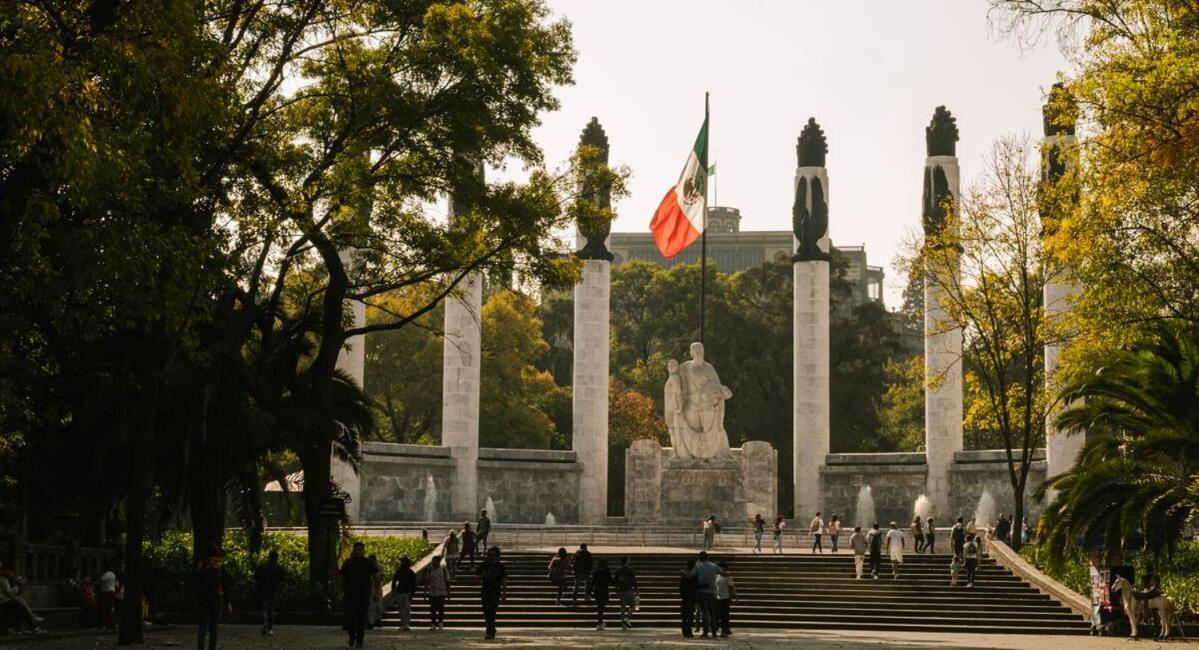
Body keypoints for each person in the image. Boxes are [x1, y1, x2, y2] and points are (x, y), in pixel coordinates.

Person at [341, 541, 376, 648]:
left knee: (361, 619)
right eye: (356, 550)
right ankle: (352, 635)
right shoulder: (348, 563)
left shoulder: (368, 563)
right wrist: (340, 592)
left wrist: (377, 591)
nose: (358, 552)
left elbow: (376, 576)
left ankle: (360, 640)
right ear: (353, 550)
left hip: (364, 594)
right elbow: (342, 577)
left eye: (360, 550)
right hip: (350, 594)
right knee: (350, 618)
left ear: (363, 551)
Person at [194, 545, 229, 650]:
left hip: (203, 599)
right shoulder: (219, 566)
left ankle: (200, 648)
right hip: (216, 599)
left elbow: (196, 584)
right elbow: (225, 584)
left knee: (202, 627)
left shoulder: (201, 566)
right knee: (213, 628)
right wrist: (228, 600)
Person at [0, 562, 46, 635]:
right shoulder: (2, 579)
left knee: (19, 605)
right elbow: (9, 593)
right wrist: (18, 585)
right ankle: (33, 626)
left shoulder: (5, 578)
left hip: (5, 601)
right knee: (19, 607)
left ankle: (21, 627)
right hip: (3, 601)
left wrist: (18, 585)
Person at [477, 546, 507, 639]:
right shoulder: (483, 565)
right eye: (489, 555)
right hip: (485, 591)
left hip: (495, 591)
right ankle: (491, 629)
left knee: (492, 611)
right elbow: (478, 576)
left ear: (497, 556)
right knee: (486, 612)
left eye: (493, 555)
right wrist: (483, 576)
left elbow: (504, 580)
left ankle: (490, 631)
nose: (491, 557)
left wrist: (504, 593)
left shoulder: (500, 566)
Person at [254, 550, 284, 636]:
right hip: (274, 590)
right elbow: (283, 578)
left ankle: (265, 621)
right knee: (271, 609)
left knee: (264, 608)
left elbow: (255, 576)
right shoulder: (278, 568)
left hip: (263, 590)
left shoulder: (263, 566)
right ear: (276, 558)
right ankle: (270, 628)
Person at [690, 551, 719, 638]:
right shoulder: (714, 566)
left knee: (704, 613)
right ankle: (714, 632)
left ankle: (705, 632)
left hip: (701, 592)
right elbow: (722, 572)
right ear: (707, 557)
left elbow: (690, 575)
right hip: (712, 592)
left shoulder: (698, 566)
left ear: (699, 558)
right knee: (712, 613)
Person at [390, 557, 416, 632]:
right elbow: (394, 581)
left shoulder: (410, 572)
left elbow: (413, 584)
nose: (402, 563)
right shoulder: (399, 571)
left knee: (407, 609)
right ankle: (402, 623)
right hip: (399, 591)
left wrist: (412, 593)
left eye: (403, 562)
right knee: (400, 608)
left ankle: (407, 624)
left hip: (407, 592)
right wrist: (393, 590)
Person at [425, 555, 450, 630]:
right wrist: (425, 591)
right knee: (433, 609)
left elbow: (447, 581)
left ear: (438, 562)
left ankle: (440, 623)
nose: (433, 563)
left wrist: (448, 592)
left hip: (441, 592)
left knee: (440, 608)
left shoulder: (443, 569)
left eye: (435, 561)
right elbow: (427, 581)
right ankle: (433, 623)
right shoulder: (430, 570)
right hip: (432, 592)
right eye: (433, 561)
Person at [615, 557, 638, 630]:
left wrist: (616, 588)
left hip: (621, 590)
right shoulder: (630, 569)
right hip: (628, 589)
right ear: (626, 561)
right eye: (628, 560)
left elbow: (615, 580)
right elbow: (634, 580)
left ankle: (623, 625)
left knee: (623, 606)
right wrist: (636, 589)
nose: (630, 561)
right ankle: (627, 618)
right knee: (632, 605)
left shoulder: (618, 570)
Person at [714, 562, 736, 637]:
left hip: (725, 598)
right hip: (718, 598)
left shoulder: (728, 577)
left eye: (722, 567)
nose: (720, 569)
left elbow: (731, 587)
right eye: (719, 567)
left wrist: (731, 597)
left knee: (724, 615)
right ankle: (724, 629)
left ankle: (724, 631)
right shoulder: (717, 576)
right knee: (718, 614)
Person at [591, 558, 612, 630]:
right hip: (604, 590)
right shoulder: (607, 571)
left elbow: (592, 582)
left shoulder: (596, 571)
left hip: (597, 590)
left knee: (599, 606)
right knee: (602, 607)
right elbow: (611, 581)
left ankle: (599, 622)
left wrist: (589, 591)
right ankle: (600, 622)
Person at [678, 559, 698, 638]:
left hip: (685, 597)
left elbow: (680, 587)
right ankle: (689, 630)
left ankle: (684, 630)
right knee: (690, 615)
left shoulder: (683, 576)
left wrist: (682, 595)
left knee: (684, 615)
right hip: (692, 597)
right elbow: (696, 586)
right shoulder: (695, 576)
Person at [98, 562, 118, 629]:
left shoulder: (105, 575)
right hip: (112, 591)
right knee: (110, 608)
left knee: (104, 608)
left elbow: (102, 582)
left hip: (105, 592)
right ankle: (112, 623)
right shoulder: (113, 574)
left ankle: (104, 624)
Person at [368, 554, 386, 628]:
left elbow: (381, 577)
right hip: (370, 589)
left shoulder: (380, 567)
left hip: (378, 589)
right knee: (370, 607)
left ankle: (378, 619)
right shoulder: (367, 567)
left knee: (378, 606)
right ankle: (370, 622)